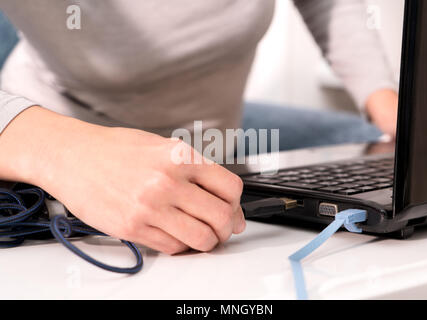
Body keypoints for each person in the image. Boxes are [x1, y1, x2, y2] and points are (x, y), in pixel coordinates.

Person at [0, 0, 398, 254]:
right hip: (49, 162)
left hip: (218, 154)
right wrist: (64, 154)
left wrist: (387, 103)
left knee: (382, 167)